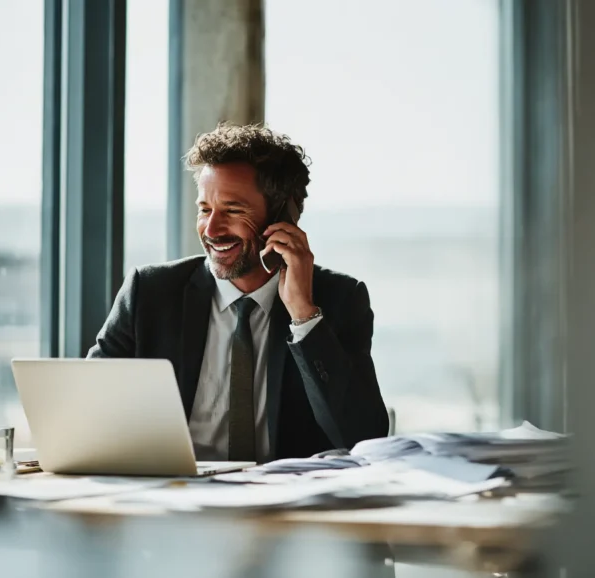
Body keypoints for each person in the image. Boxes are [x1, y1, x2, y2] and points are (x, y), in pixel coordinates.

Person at [88, 123, 388, 462]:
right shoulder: (150, 293)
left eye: (233, 210)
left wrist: (304, 317)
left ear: (282, 216)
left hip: (281, 506)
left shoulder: (339, 300)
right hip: (172, 498)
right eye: (204, 210)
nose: (211, 229)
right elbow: (88, 415)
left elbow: (365, 438)